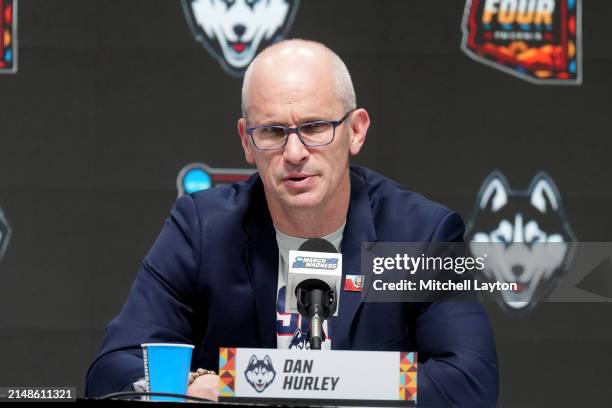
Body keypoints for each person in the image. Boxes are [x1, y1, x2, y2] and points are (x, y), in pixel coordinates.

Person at [86, 39, 498, 406]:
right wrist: (192, 386)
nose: (295, 152)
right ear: (247, 141)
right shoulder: (202, 228)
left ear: (356, 131)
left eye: (315, 127)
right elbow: (111, 370)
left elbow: (469, 384)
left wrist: (260, 385)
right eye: (273, 132)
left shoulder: (420, 235)